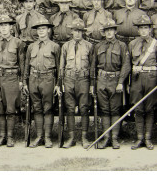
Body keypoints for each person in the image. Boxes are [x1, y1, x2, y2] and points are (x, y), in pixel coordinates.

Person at [90, 19, 131, 149]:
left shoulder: (122, 46)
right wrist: (93, 84)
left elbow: (126, 65)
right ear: (104, 32)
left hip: (115, 80)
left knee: (115, 109)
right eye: (106, 30)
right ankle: (106, 138)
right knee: (104, 110)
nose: (109, 32)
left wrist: (120, 83)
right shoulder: (98, 46)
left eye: (111, 30)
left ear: (115, 31)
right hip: (101, 80)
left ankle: (114, 139)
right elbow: (93, 66)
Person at [0, 15, 26, 147]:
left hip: (11, 77)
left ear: (11, 27)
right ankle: (2, 136)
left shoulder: (18, 43)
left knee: (10, 108)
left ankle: (10, 137)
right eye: (1, 26)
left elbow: (22, 63)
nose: (3, 28)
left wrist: (22, 80)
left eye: (6, 25)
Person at [23, 19, 60, 148]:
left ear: (48, 30)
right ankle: (39, 136)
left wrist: (58, 84)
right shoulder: (31, 47)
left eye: (43, 28)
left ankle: (48, 138)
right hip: (33, 78)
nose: (41, 31)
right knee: (37, 108)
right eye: (39, 29)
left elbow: (59, 67)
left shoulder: (55, 46)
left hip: (48, 78)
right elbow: (26, 65)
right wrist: (25, 82)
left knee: (48, 108)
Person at [59, 18, 93, 149]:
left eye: (80, 31)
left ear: (83, 32)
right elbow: (62, 66)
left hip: (83, 79)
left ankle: (85, 138)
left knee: (84, 108)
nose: (77, 33)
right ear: (71, 31)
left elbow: (92, 66)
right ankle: (71, 138)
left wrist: (91, 84)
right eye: (75, 31)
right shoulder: (66, 46)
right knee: (70, 108)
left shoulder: (89, 46)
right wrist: (60, 82)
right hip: (69, 79)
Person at [129, 15, 157, 150]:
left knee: (149, 109)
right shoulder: (132, 44)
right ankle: (139, 139)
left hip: (151, 78)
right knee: (138, 109)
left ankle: (148, 139)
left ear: (150, 29)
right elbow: (128, 65)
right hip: (136, 79)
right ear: (138, 30)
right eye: (141, 28)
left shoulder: (155, 44)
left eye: (146, 28)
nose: (144, 31)